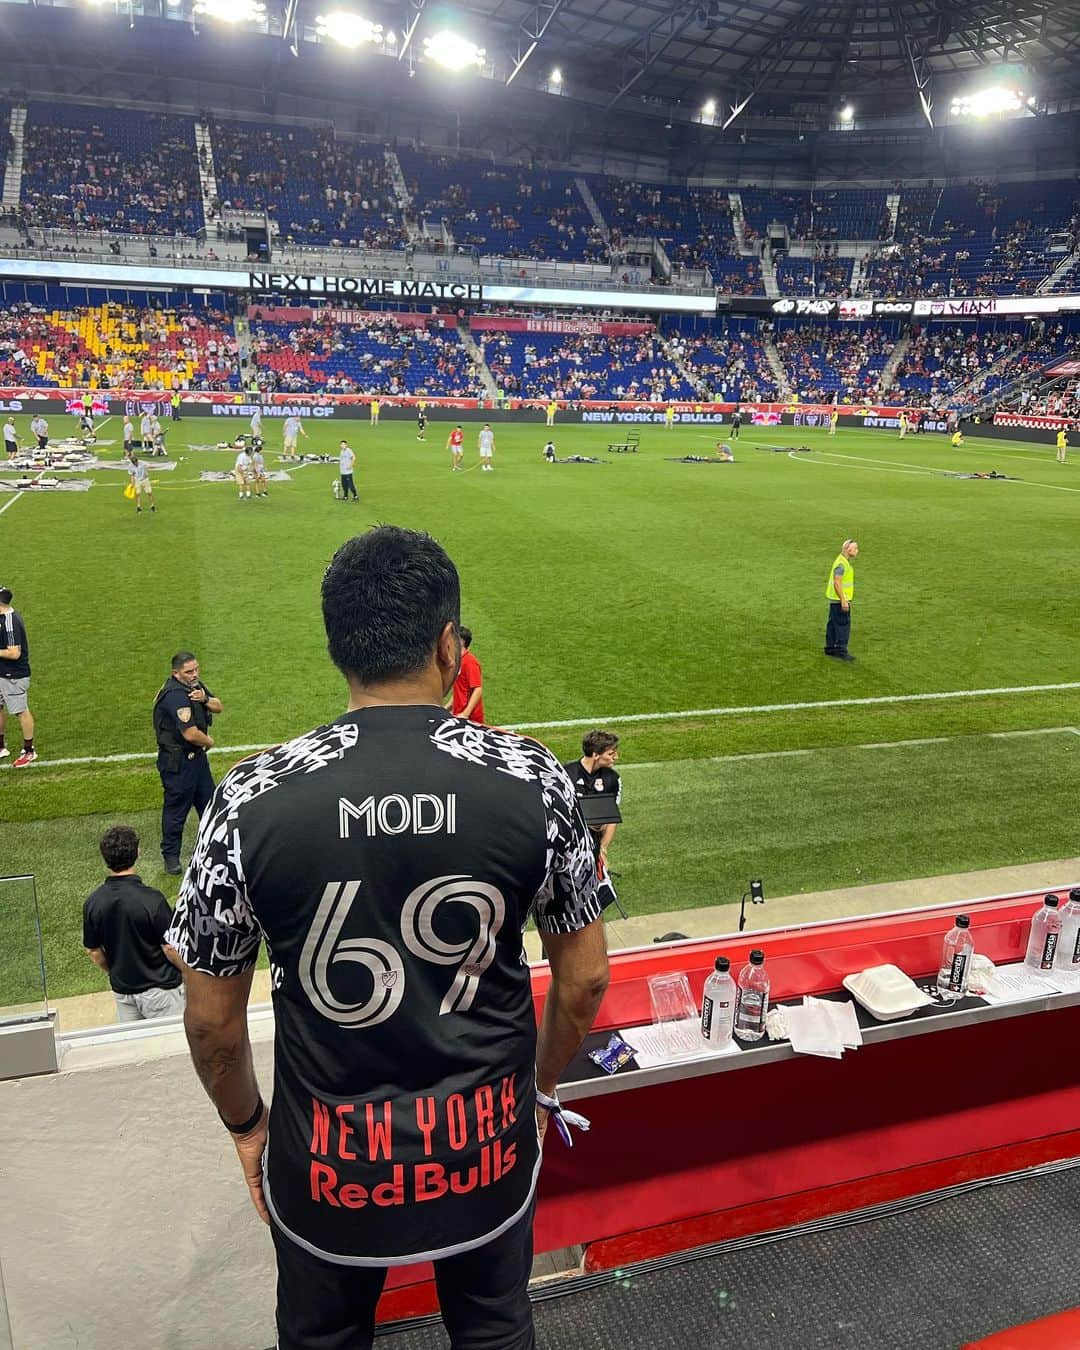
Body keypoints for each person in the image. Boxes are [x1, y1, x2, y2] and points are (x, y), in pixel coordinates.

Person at [164, 525, 609, 1350]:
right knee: (494, 1330)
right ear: (449, 646)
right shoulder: (535, 777)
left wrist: (249, 1128)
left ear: (339, 650)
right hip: (486, 1150)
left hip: (327, 1167)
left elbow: (210, 1022)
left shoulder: (249, 796)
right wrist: (538, 1095)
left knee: (323, 1337)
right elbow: (582, 980)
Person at [83, 825, 186, 1023]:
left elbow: (93, 951)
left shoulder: (93, 902)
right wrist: (188, 971)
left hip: (124, 994)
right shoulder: (152, 900)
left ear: (105, 857)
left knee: (135, 1048)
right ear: (137, 852)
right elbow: (170, 948)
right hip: (161, 993)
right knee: (170, 1048)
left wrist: (117, 971)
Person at [153, 650, 222, 874]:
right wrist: (209, 741)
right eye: (189, 671)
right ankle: (171, 856)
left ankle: (214, 847)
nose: (194, 674)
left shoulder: (194, 687)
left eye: (196, 669)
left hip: (197, 761)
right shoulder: (175, 696)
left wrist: (204, 698)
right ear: (176, 673)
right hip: (178, 763)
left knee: (210, 805)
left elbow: (218, 706)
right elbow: (190, 734)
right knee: (176, 811)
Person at [562, 730, 622, 913]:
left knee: (594, 900)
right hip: (568, 847)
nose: (616, 757)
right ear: (596, 755)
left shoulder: (612, 779)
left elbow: (611, 818)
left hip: (593, 846)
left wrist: (603, 849)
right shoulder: (566, 774)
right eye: (611, 753)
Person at [0, 585, 35, 767]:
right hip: (1, 672)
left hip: (12, 674)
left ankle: (29, 751)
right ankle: (1, 746)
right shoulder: (3, 618)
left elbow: (14, 653)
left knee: (20, 710)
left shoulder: (9, 622)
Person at [824, 538, 858, 662]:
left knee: (832, 624)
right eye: (855, 548)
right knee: (843, 625)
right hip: (839, 601)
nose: (857, 550)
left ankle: (830, 648)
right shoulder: (842, 564)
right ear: (848, 549)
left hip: (834, 599)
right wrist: (843, 600)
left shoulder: (841, 561)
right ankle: (841, 650)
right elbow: (837, 583)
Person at [450, 625, 484, 723]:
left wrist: (466, 713)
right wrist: (447, 707)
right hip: (459, 714)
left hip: (470, 719)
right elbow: (460, 689)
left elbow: (478, 689)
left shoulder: (469, 662)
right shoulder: (458, 661)